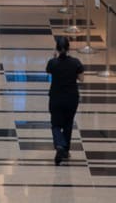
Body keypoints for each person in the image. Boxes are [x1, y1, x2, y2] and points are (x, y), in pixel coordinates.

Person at [46, 36, 84, 165]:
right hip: (71, 98)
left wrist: (54, 57)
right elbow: (81, 78)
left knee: (56, 124)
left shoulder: (53, 63)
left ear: (57, 48)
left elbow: (49, 71)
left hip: (56, 97)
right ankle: (65, 150)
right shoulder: (76, 62)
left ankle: (59, 146)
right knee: (68, 124)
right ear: (69, 48)